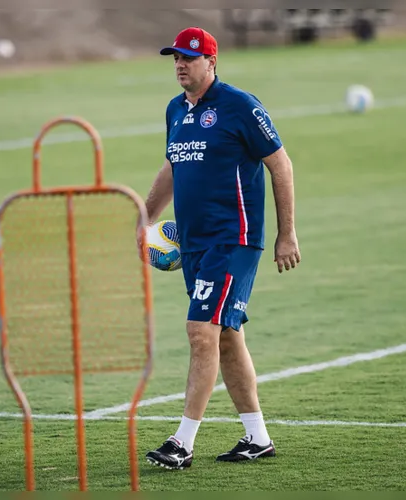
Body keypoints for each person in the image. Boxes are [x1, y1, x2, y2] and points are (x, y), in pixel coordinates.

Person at [141, 26, 301, 470]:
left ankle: (182, 442)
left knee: (200, 332)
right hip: (193, 245)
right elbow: (173, 166)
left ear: (212, 62)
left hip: (233, 241)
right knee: (227, 338)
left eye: (188, 58)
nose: (179, 65)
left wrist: (285, 234)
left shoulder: (240, 106)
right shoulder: (176, 110)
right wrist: (146, 218)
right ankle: (258, 437)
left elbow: (280, 165)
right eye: (175, 58)